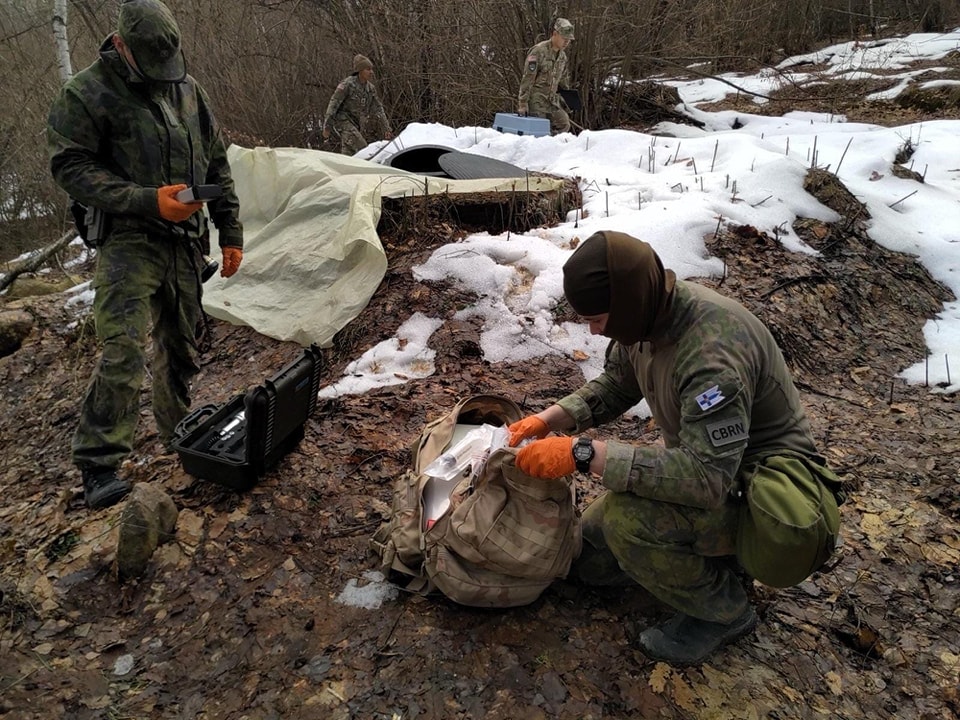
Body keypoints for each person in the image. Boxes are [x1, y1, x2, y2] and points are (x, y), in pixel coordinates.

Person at [509, 230, 843, 664]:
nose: (593, 330)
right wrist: (550, 419)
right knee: (589, 559)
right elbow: (618, 382)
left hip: (757, 490)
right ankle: (708, 561)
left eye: (598, 318)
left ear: (629, 301)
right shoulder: (649, 314)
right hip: (712, 468)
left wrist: (583, 454)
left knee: (630, 524)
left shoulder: (710, 356)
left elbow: (706, 479)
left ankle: (725, 611)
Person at [47, 0, 244, 510]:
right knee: (123, 347)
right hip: (127, 240)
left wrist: (231, 232)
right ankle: (98, 463)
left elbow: (218, 162)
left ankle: (179, 435)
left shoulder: (187, 90)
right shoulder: (86, 93)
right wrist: (144, 199)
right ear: (121, 46)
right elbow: (70, 166)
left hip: (184, 241)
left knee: (181, 348)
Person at [322, 54, 393, 156]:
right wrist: (327, 127)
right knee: (364, 151)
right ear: (360, 70)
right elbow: (333, 105)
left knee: (349, 157)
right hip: (343, 123)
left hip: (356, 125)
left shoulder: (370, 89)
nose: (371, 72)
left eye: (371, 69)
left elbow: (378, 108)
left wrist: (386, 128)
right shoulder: (347, 85)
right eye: (368, 69)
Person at [518, 17, 575, 135]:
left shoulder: (562, 57)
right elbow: (528, 78)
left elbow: (563, 82)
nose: (566, 42)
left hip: (552, 101)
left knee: (564, 124)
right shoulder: (538, 51)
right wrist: (523, 103)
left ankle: (551, 145)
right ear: (555, 34)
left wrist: (569, 100)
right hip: (536, 99)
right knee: (540, 128)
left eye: (569, 40)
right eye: (564, 39)